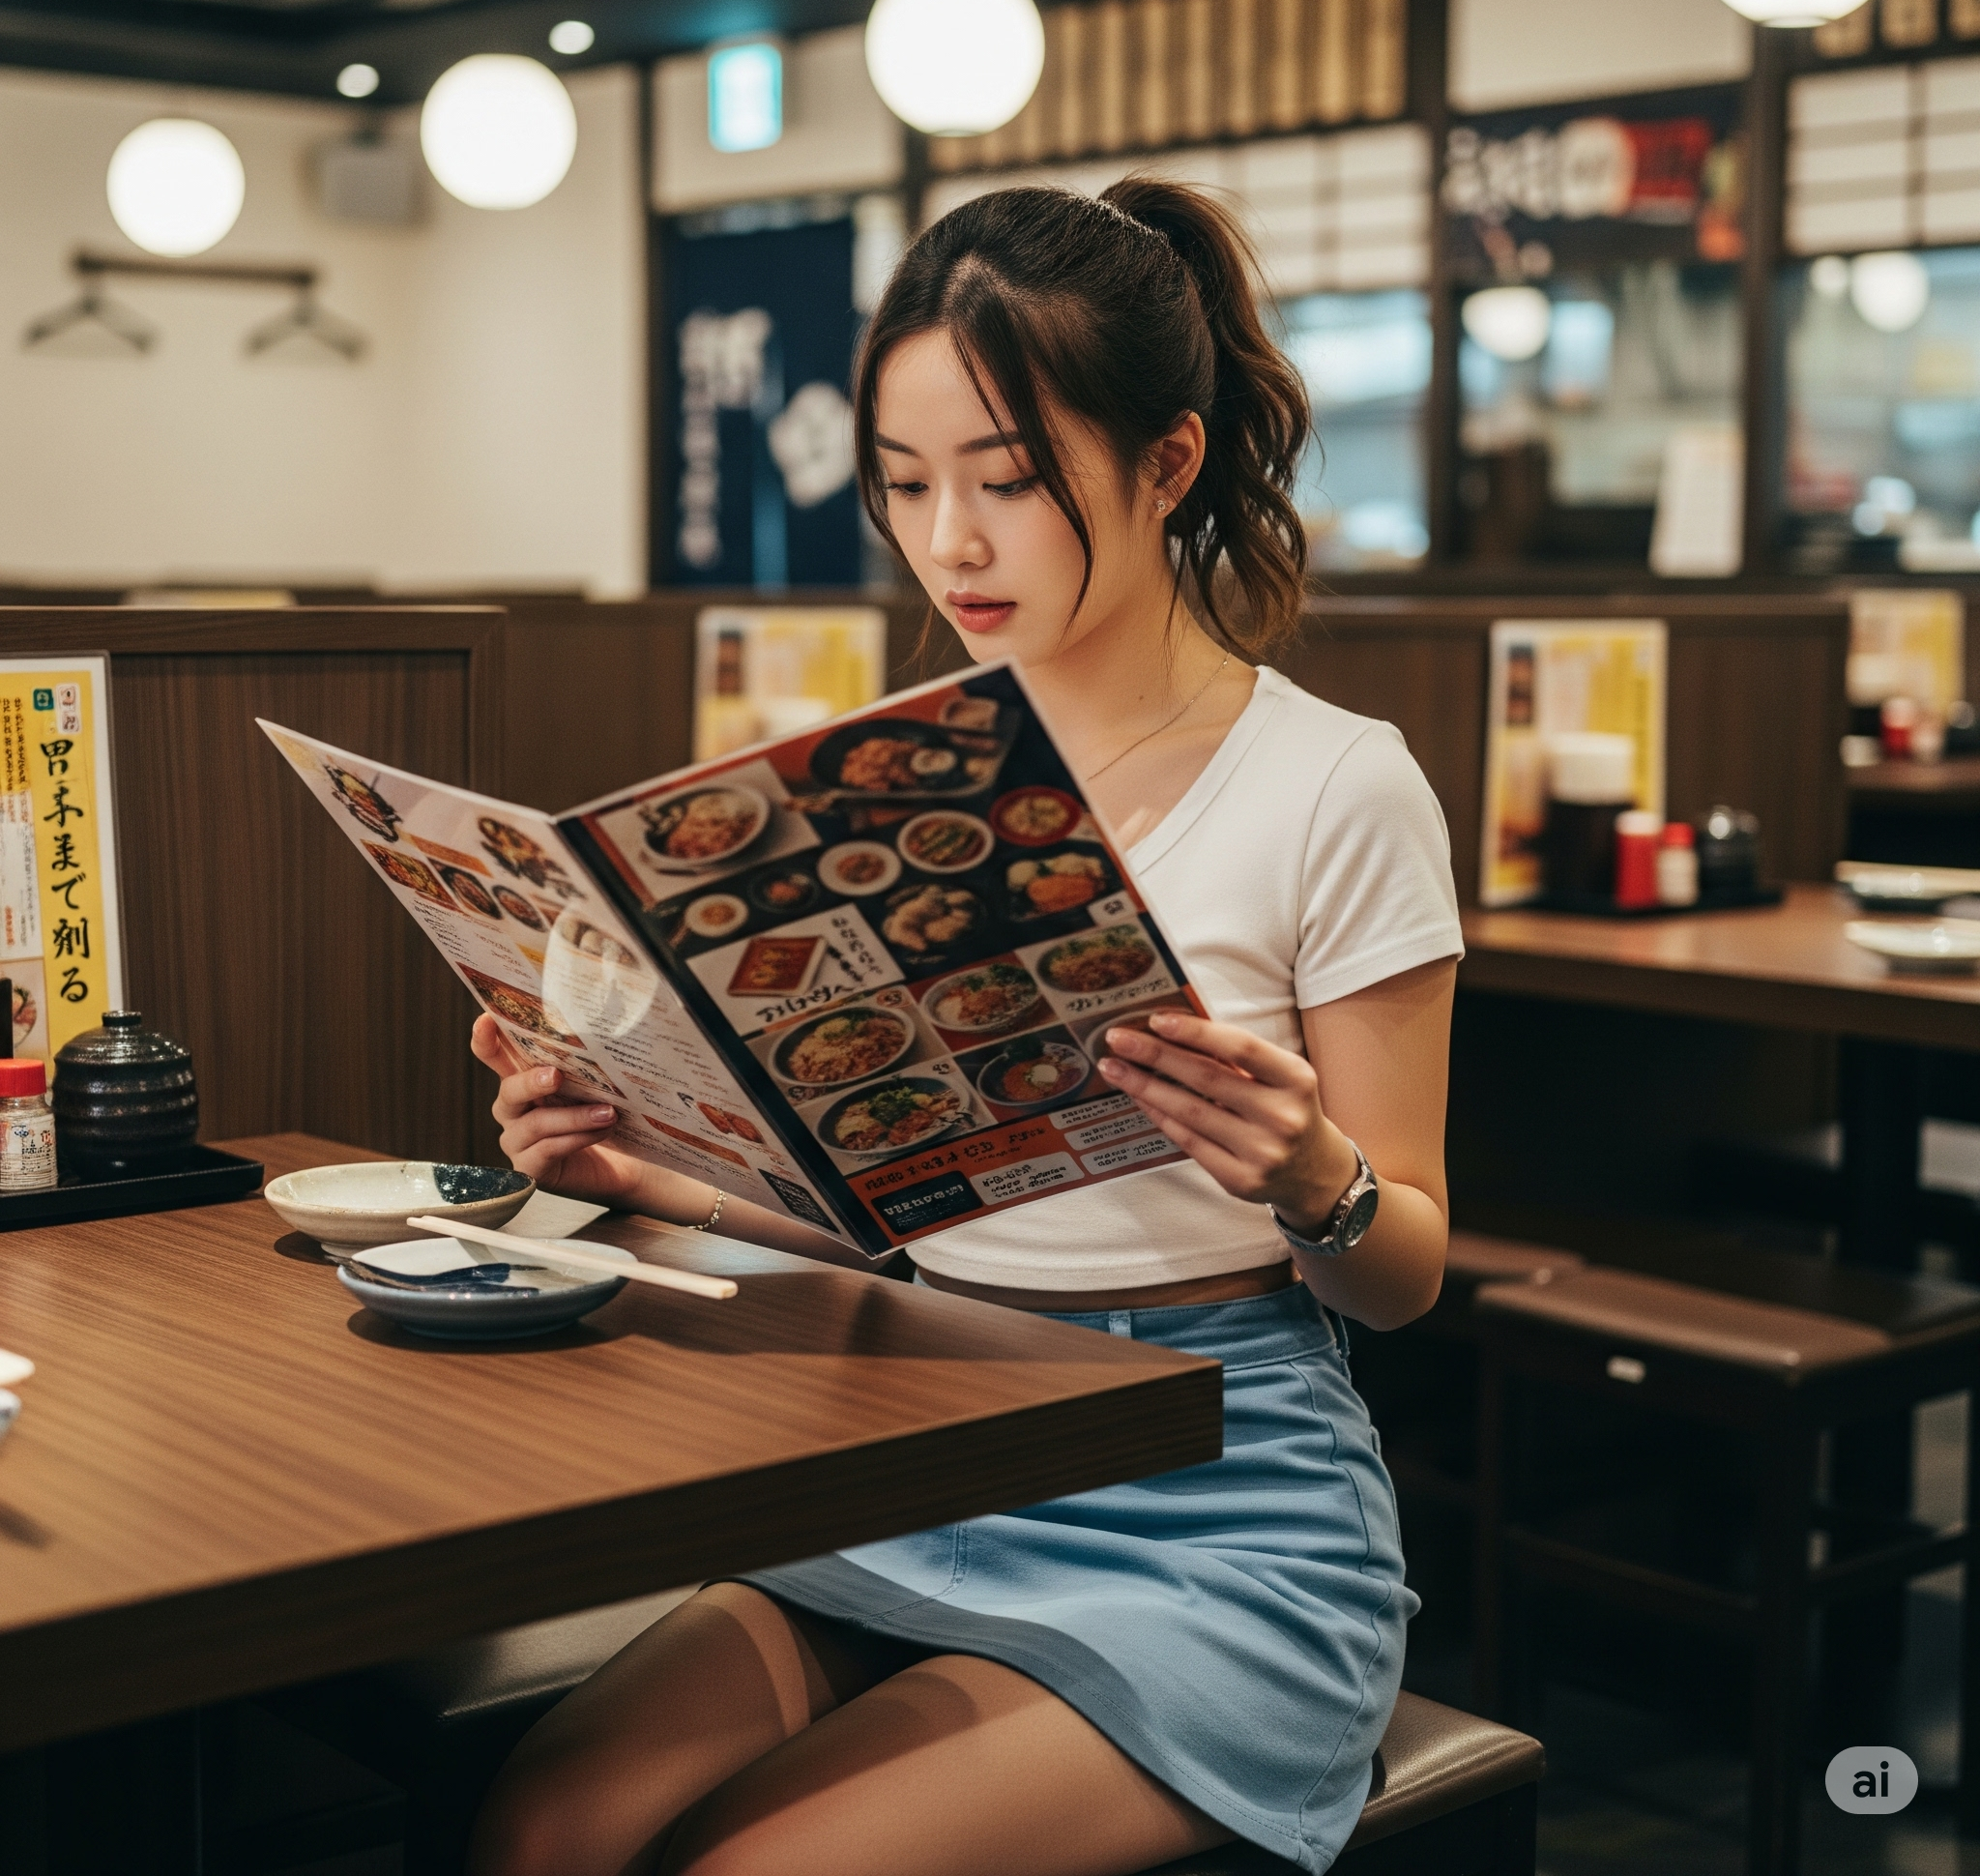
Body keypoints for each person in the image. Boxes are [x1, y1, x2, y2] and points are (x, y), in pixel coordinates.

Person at [467, 176, 1462, 1876]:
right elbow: (881, 1208)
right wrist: (646, 1160)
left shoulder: (1336, 783)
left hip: (1217, 1498)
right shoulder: (885, 779)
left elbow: (1408, 1270)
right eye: (909, 484)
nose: (952, 544)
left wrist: (1313, 1175)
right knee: (544, 1827)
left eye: (1010, 481)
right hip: (922, 1440)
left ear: (1170, 462)